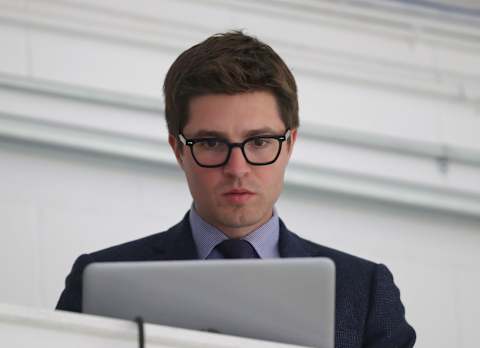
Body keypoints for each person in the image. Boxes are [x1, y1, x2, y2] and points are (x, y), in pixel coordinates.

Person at [56, 31, 416, 348]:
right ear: (178, 149)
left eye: (259, 142)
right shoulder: (97, 281)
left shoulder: (364, 291)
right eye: (212, 143)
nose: (237, 169)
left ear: (289, 144)